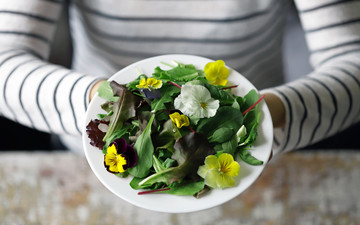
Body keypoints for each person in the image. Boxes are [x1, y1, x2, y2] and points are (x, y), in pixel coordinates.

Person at [0, 0, 359, 155]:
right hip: (96, 153)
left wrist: (265, 116)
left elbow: (352, 60)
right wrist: (104, 100)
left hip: (257, 152)